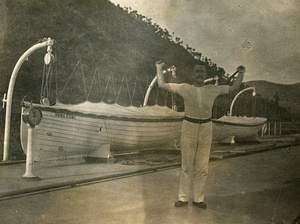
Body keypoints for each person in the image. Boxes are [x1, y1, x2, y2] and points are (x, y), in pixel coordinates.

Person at [156, 61, 245, 208]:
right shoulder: (184, 88)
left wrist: (241, 73)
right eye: (197, 71)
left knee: (202, 166)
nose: (199, 74)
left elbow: (235, 87)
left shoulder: (212, 89)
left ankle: (198, 199)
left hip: (206, 127)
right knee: (186, 165)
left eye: (202, 72)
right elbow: (162, 85)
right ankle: (183, 198)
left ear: (205, 75)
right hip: (189, 126)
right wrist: (158, 68)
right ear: (193, 74)